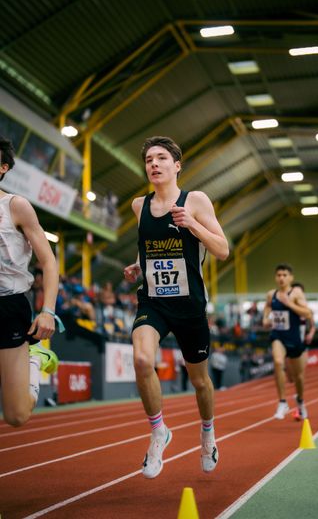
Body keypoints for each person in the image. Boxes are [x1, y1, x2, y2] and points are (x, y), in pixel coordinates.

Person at [124, 136, 229, 479]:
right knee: (141, 359)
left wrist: (192, 223)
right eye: (149, 160)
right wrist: (138, 265)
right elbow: (149, 247)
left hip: (189, 306)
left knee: (200, 382)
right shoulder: (139, 206)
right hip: (153, 301)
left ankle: (208, 433)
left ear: (176, 165)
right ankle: (159, 432)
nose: (154, 164)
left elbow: (223, 250)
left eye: (161, 158)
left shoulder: (195, 200)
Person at [0, 136, 59, 427]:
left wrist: (47, 311)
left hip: (9, 307)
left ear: (2, 168)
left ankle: (35, 360)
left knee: (16, 415)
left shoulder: (16, 206)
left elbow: (48, 262)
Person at [263, 264, 314, 421]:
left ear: (291, 277)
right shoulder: (271, 294)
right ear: (275, 277)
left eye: (285, 275)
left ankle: (300, 401)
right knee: (278, 362)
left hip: (294, 338)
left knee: (298, 376)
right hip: (278, 335)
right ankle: (283, 402)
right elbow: (267, 309)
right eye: (278, 275)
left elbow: (308, 313)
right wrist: (265, 319)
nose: (281, 278)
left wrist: (289, 303)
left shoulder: (296, 293)